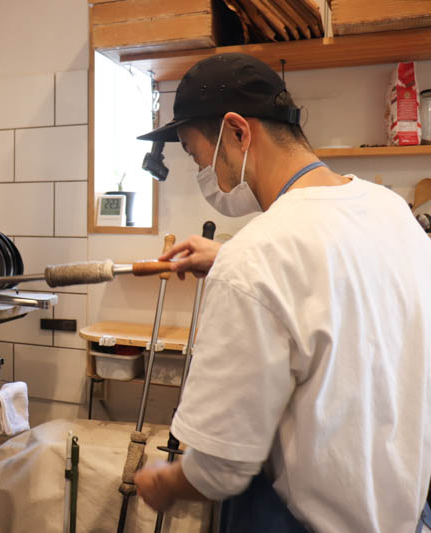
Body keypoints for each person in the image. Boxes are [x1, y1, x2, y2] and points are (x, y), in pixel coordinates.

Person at [132, 52, 431, 533]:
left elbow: (219, 470)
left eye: (194, 153)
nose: (202, 172)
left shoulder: (258, 257)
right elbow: (339, 288)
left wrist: (163, 483)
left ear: (236, 132)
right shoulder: (391, 211)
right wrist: (228, 259)